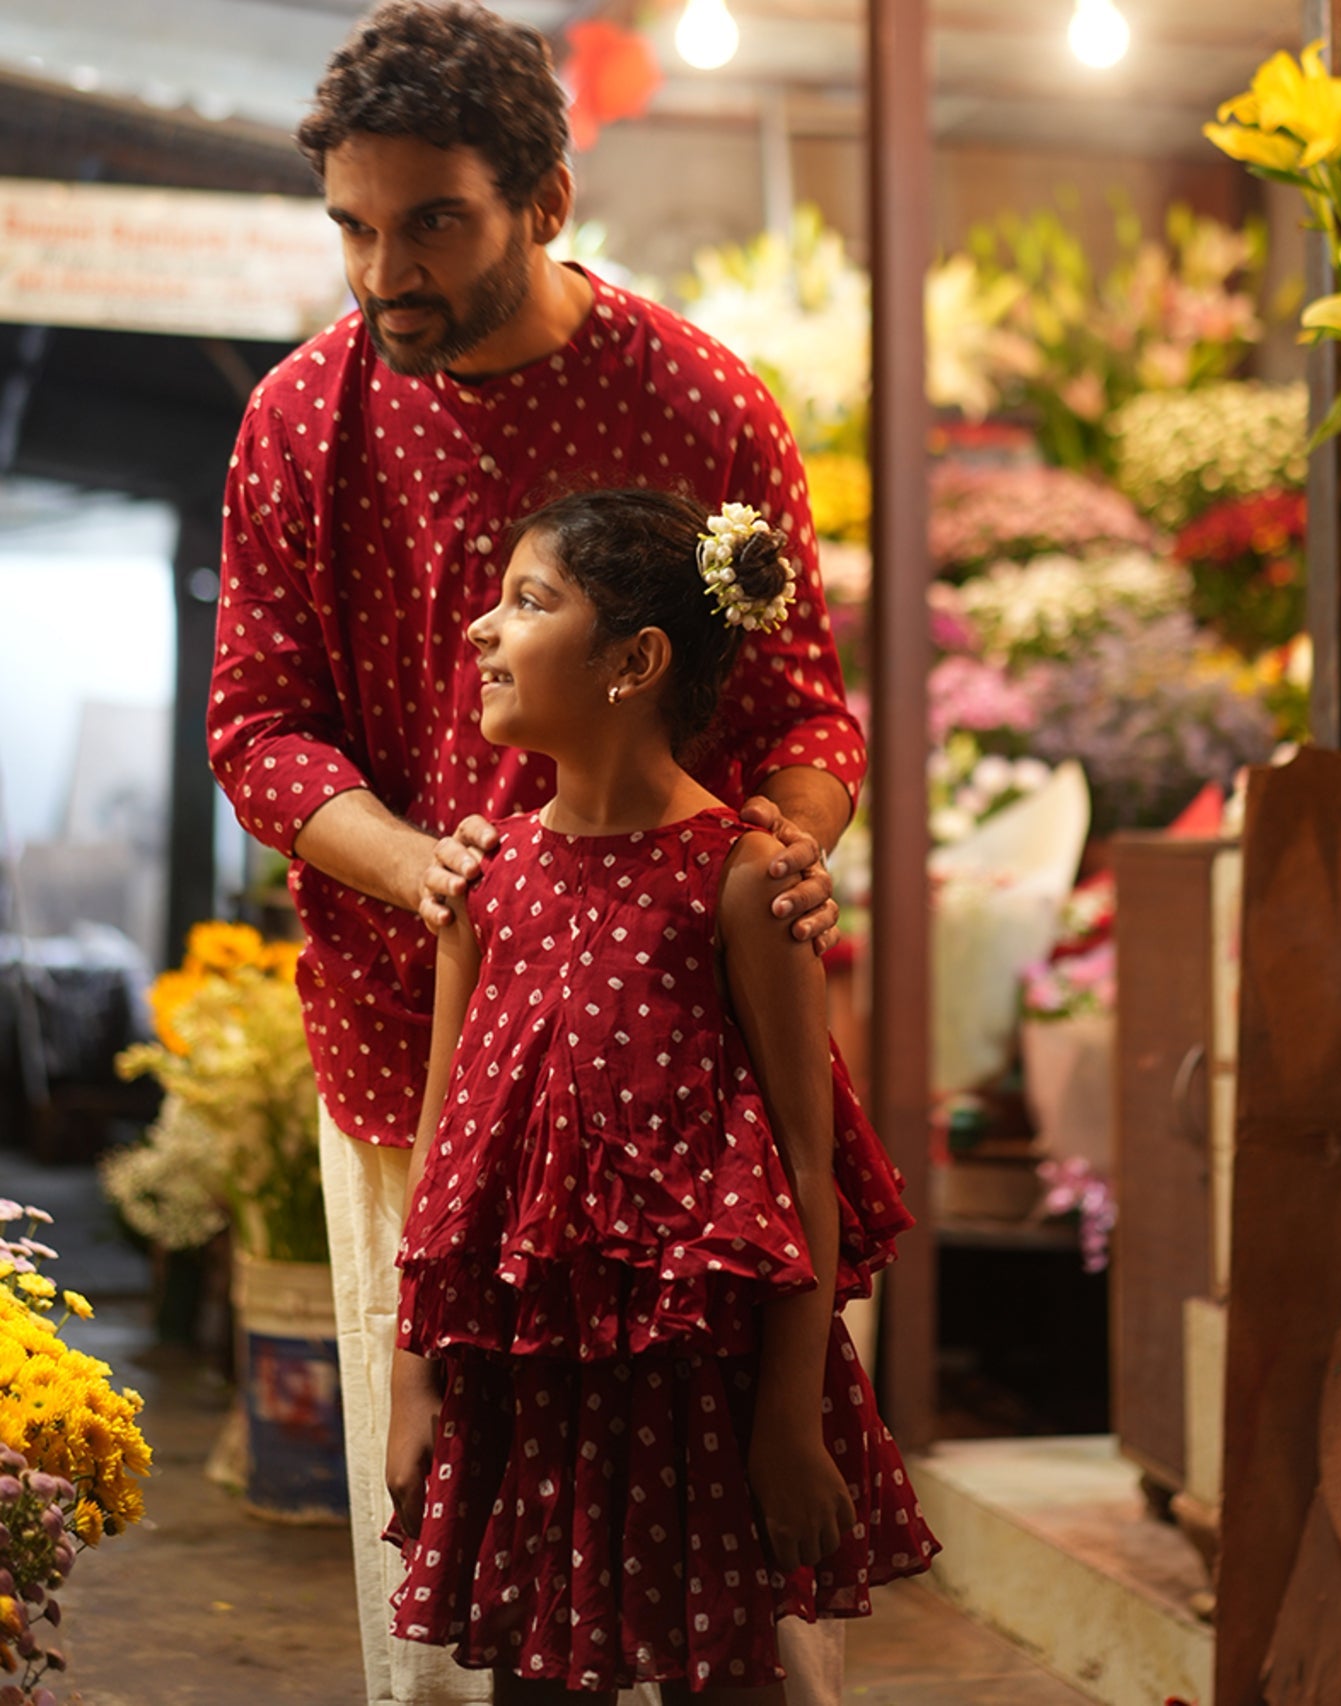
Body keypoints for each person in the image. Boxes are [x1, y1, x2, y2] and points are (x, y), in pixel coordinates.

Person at [207, 6, 867, 1704]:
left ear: (546, 200)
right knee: (464, 1581)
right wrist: (420, 870)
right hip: (432, 1050)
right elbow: (258, 727)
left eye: (431, 222)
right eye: (355, 227)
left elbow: (804, 711)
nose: (385, 273)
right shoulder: (302, 419)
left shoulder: (702, 402)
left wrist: (782, 859)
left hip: (697, 1068)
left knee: (741, 1582)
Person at [385, 489, 938, 1702]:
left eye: (528, 601)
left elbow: (806, 1162)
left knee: (724, 1673)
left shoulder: (743, 879)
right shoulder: (483, 880)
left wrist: (787, 1417)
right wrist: (410, 1379)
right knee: (533, 1670)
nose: (482, 628)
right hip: (530, 1377)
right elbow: (440, 1157)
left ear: (634, 662)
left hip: (703, 1387)